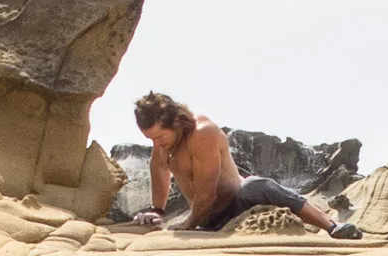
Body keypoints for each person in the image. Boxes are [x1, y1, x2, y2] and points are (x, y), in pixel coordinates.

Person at [130, 92, 358, 237]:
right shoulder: (164, 145)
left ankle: (331, 226)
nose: (156, 144)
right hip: (207, 217)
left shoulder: (202, 133)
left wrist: (187, 224)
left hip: (236, 202)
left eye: (159, 137)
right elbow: (159, 169)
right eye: (150, 139)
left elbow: (207, 192)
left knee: (257, 185)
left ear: (177, 122)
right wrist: (156, 210)